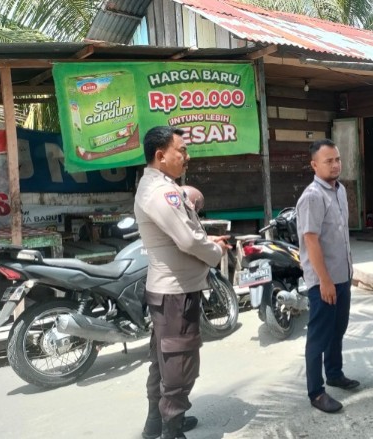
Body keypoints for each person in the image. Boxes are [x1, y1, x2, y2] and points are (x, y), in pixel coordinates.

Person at [136, 126, 230, 439]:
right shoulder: (162, 191)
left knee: (164, 360)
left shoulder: (157, 185)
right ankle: (172, 429)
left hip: (171, 291)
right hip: (175, 294)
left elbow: (184, 233)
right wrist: (215, 251)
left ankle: (156, 424)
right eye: (182, 151)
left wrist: (207, 239)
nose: (186, 157)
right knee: (178, 364)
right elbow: (188, 241)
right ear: (161, 156)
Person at [296, 139, 358, 414]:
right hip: (324, 280)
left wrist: (347, 272)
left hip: (341, 275)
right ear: (314, 165)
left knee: (338, 328)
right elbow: (311, 241)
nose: (335, 165)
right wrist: (325, 281)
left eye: (337, 159)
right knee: (319, 336)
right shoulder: (312, 196)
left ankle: (334, 373)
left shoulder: (339, 190)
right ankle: (316, 392)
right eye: (328, 161)